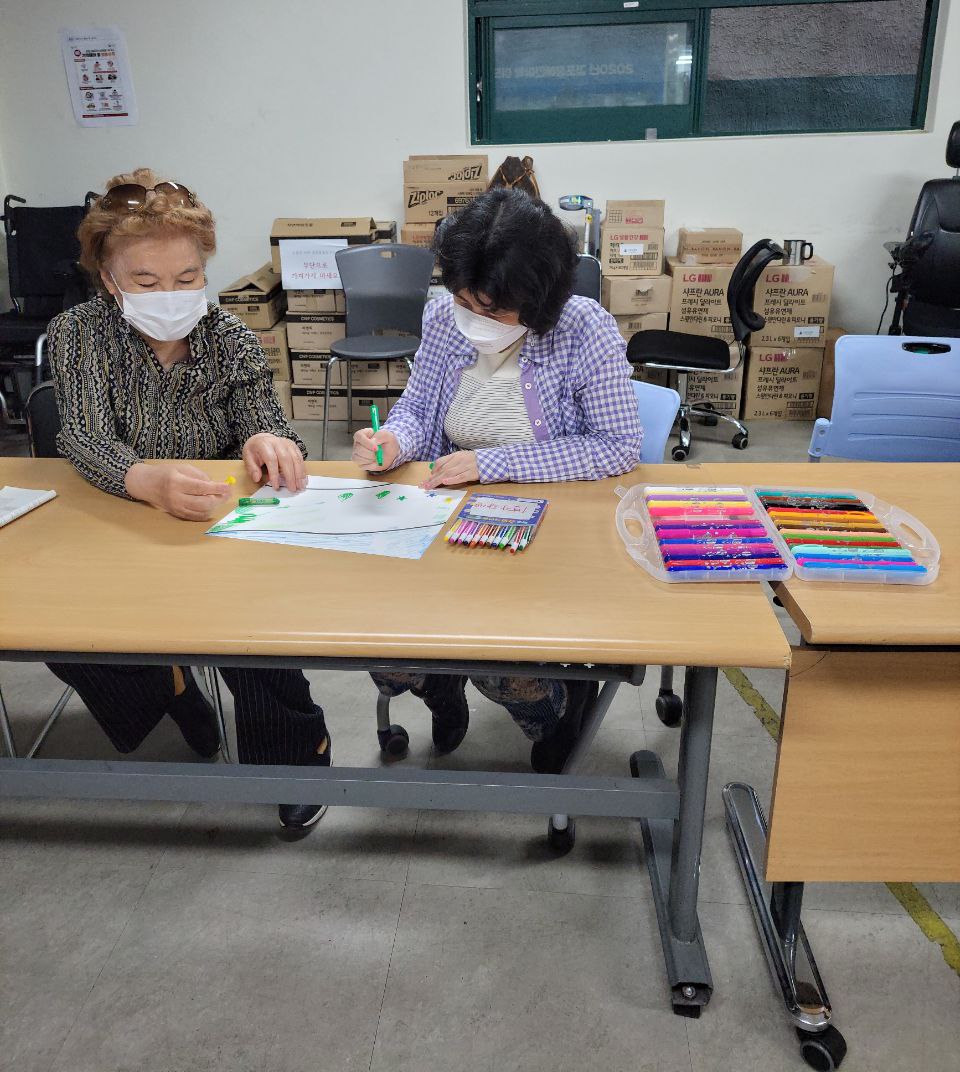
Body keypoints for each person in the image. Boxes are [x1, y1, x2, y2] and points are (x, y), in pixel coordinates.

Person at [46, 168, 329, 831]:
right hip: (116, 519)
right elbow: (82, 435)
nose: (169, 296)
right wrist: (142, 477)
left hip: (211, 526)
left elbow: (269, 424)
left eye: (186, 278)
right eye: (145, 283)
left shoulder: (226, 336)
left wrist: (268, 440)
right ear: (109, 279)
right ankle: (168, 688)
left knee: (251, 640)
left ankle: (295, 757)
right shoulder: (79, 333)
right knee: (62, 631)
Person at [352, 188, 643, 772]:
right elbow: (416, 410)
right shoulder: (442, 318)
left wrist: (492, 465)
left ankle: (554, 717)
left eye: (495, 310)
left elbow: (617, 447)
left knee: (499, 662)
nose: (475, 321)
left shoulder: (584, 330)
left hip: (549, 524)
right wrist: (394, 441)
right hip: (447, 515)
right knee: (385, 652)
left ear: (539, 299)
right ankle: (442, 691)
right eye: (466, 302)